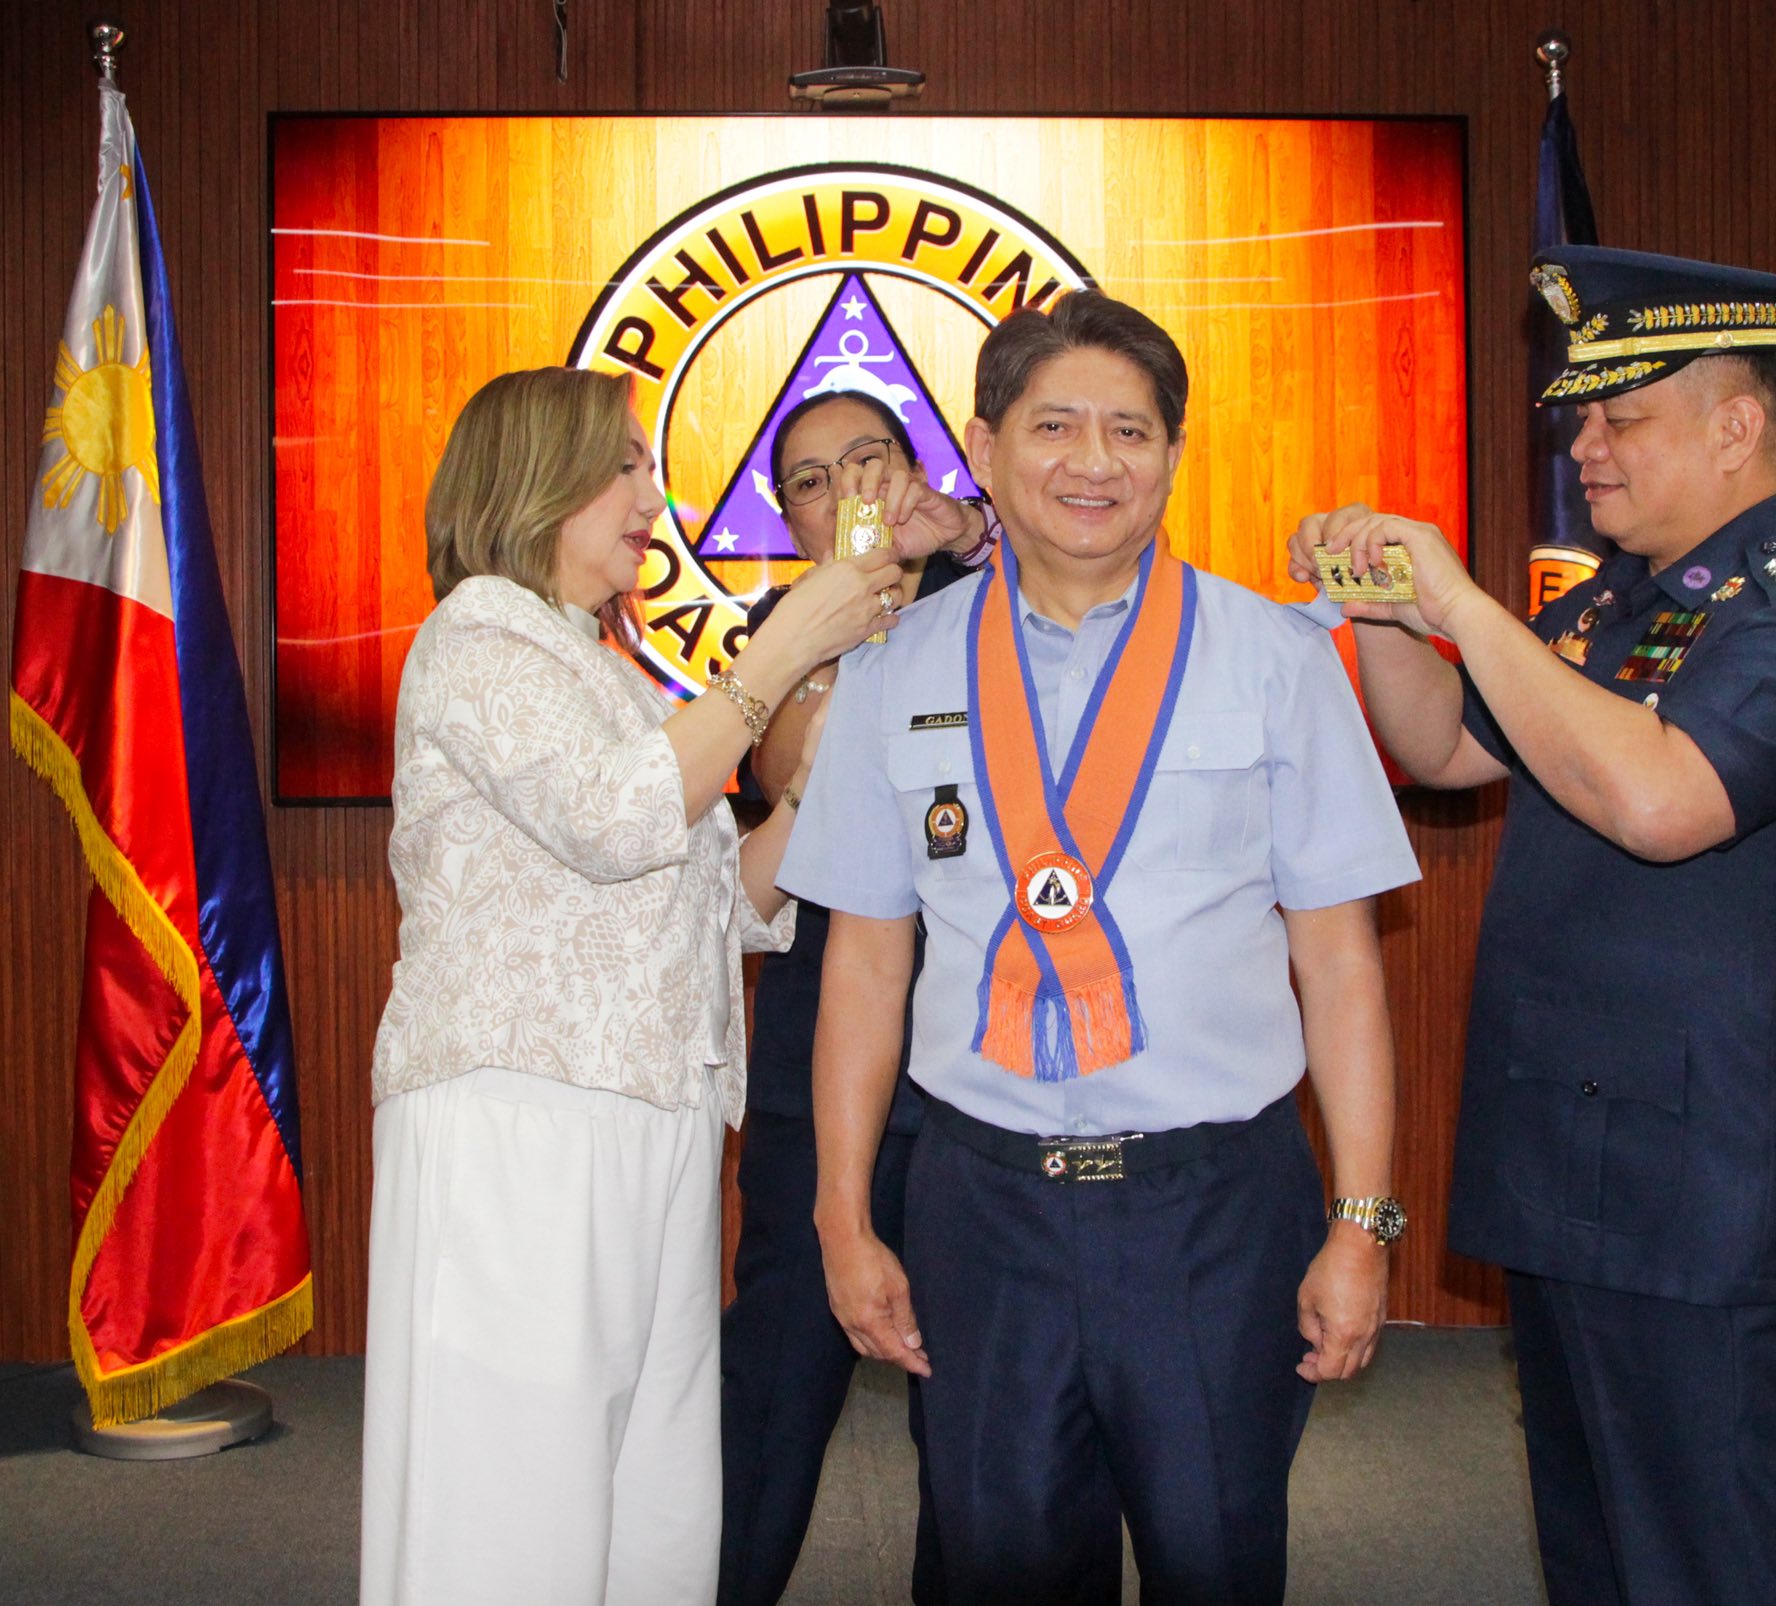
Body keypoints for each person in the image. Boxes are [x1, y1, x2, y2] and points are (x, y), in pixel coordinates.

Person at [1290, 245, 1776, 1604]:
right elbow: (1444, 748)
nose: (1586, 445)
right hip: (1577, 1171)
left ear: (1738, 423)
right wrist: (1392, 615)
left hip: (1708, 1198)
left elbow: (1656, 800)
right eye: (1586, 414)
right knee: (1596, 1560)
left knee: (1705, 1567)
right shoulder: (1619, 610)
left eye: (1621, 416)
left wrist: (1462, 601)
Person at [780, 291, 1419, 1604]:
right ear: (984, 442)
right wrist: (846, 1212)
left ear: (1173, 454)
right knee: (998, 1565)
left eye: (1131, 430)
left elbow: (1342, 962)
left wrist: (1361, 1218)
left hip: (1215, 1211)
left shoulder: (1275, 659)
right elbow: (863, 965)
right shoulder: (895, 667)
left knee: (1217, 1558)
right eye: (1056, 424)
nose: (1094, 461)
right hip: (982, 1209)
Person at [359, 365, 902, 1606]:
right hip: (521, 1115)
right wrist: (773, 660)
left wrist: (811, 785)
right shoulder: (477, 635)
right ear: (536, 478)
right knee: (515, 1498)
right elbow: (618, 820)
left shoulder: (599, 665)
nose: (651, 497)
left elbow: (724, 909)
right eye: (625, 467)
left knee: (650, 1498)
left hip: (650, 1115)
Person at [718, 387, 997, 1606]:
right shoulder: (779, 628)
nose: (851, 494)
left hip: (974, 1067)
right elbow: (788, 769)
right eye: (814, 481)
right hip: (814, 1059)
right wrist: (848, 612)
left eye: (870, 461)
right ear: (788, 516)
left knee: (974, 1410)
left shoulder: (996, 597)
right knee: (775, 1384)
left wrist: (972, 541)